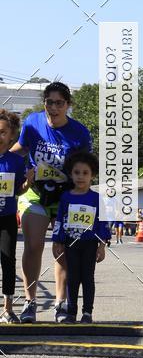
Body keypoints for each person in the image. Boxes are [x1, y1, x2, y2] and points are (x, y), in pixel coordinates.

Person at [11, 82, 92, 323]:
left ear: (68, 105)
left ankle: (60, 304)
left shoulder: (79, 132)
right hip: (35, 192)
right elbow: (22, 147)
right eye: (49, 102)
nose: (53, 108)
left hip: (66, 196)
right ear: (44, 102)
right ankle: (30, 302)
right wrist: (4, 157)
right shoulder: (33, 122)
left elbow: (86, 167)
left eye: (59, 103)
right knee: (34, 244)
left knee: (63, 252)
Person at [52, 151, 110, 324]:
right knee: (72, 278)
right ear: (71, 174)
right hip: (71, 243)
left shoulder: (96, 198)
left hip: (90, 244)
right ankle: (71, 312)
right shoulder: (66, 197)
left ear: (92, 175)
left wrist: (102, 245)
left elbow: (102, 222)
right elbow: (60, 220)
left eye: (85, 173)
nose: (80, 177)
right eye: (77, 172)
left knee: (87, 277)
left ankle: (87, 313)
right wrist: (58, 241)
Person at [0, 112, 28, 323]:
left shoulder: (16, 161)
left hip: (7, 218)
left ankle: (8, 309)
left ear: (11, 136)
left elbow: (18, 191)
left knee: (8, 261)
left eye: (3, 132)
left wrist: (29, 183)